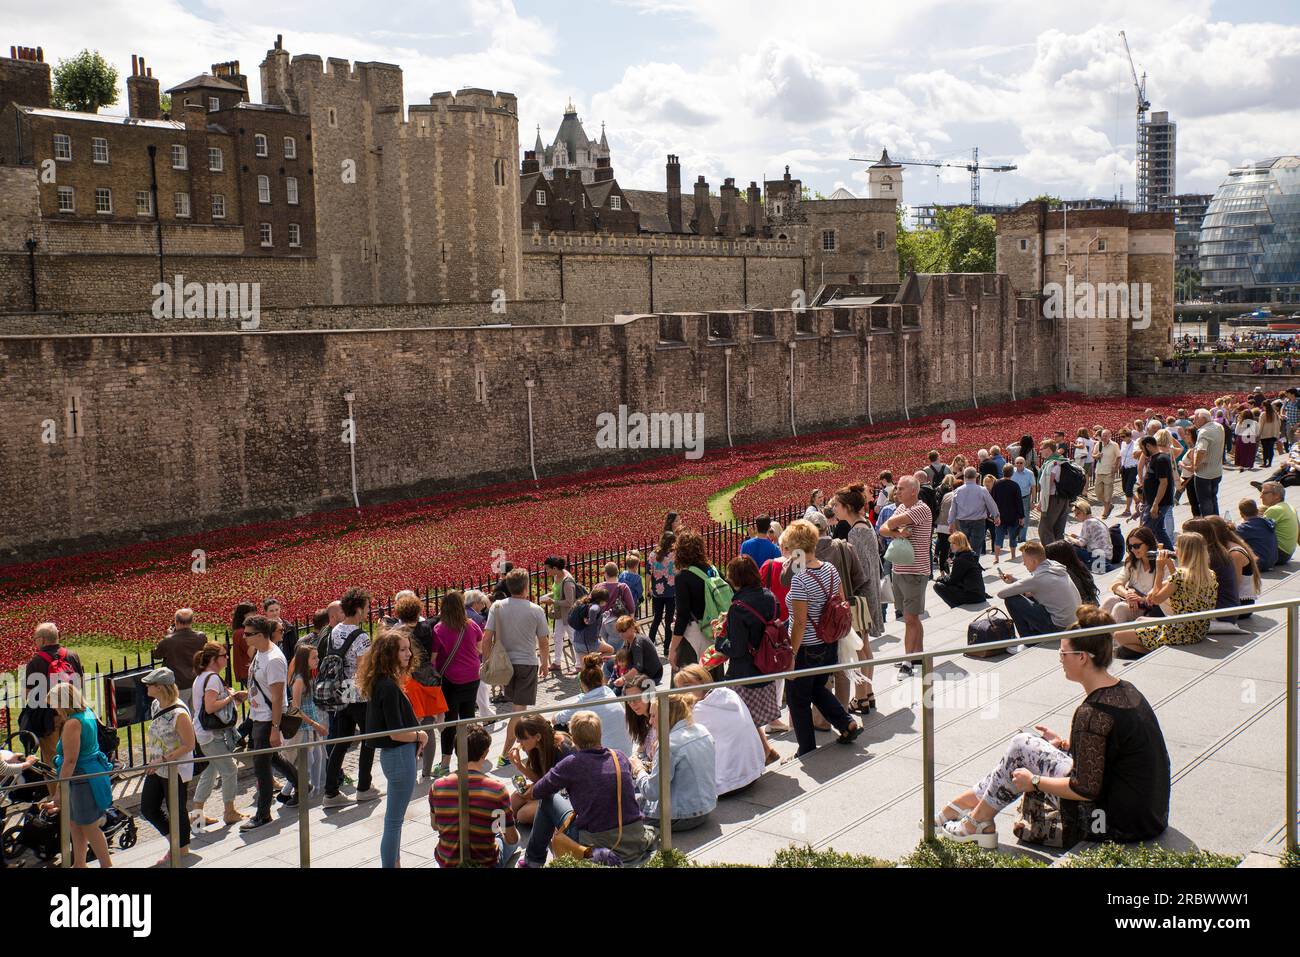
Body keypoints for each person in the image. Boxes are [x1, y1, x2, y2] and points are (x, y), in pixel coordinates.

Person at [938, 606, 1170, 848]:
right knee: (1023, 747)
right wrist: (1067, 745)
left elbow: (1085, 789)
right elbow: (1115, 753)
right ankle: (973, 817)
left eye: (1063, 653)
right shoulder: (1125, 689)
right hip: (1149, 813)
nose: (1060, 660)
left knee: (1021, 748)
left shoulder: (1092, 714)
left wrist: (1034, 781)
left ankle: (972, 820)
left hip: (1117, 822)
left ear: (1082, 657)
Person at [520, 710, 656, 867]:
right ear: (599, 734)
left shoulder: (571, 763)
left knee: (548, 799)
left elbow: (538, 791)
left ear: (574, 739)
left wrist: (524, 776)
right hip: (633, 832)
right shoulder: (618, 756)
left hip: (595, 838)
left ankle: (533, 861)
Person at [780, 520, 862, 757]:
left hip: (807, 647)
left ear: (796, 547)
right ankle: (846, 723)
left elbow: (799, 621)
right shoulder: (829, 569)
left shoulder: (800, 580)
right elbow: (840, 601)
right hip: (828, 643)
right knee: (817, 688)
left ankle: (805, 749)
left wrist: (792, 654)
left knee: (797, 699)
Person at [356, 629, 427, 867]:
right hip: (399, 757)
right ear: (390, 653)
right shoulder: (387, 685)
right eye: (403, 649)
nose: (409, 653)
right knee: (394, 820)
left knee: (394, 819)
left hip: (397, 757)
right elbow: (396, 733)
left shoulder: (383, 681)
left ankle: (394, 862)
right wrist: (421, 734)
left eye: (408, 648)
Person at [482, 568, 552, 764]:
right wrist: (545, 662)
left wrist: (487, 661)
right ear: (526, 587)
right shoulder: (535, 610)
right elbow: (544, 641)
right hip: (526, 662)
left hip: (505, 665)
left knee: (519, 708)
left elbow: (486, 637)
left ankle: (529, 742)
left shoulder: (497, 606)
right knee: (518, 711)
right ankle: (504, 754)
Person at [717, 557, 782, 764]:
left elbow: (736, 649)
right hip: (766, 664)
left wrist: (720, 640)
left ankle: (752, 757)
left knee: (741, 717)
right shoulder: (769, 597)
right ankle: (766, 750)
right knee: (751, 717)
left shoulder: (738, 606)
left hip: (744, 672)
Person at [1114, 532, 1218, 657]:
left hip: (1180, 631)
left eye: (1177, 546)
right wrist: (1169, 564)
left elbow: (1154, 599)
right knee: (1140, 620)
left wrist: (1159, 570)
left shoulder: (1180, 576)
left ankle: (1154, 652)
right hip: (1199, 630)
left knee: (1118, 636)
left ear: (1185, 551)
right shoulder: (1209, 574)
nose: (1174, 549)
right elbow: (1179, 586)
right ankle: (1146, 647)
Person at [321, 588, 379, 808]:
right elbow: (365, 668)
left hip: (340, 691)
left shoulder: (335, 631)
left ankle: (331, 791)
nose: (367, 612)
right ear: (357, 608)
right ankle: (364, 786)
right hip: (358, 693)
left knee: (342, 740)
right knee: (368, 738)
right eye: (366, 608)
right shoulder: (361, 636)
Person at [430, 724, 518, 868]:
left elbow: (434, 825)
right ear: (485, 752)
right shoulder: (497, 789)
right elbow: (512, 838)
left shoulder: (437, 786)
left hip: (447, 861)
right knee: (509, 837)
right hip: (485, 863)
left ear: (457, 750)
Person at [45, 683, 114, 867]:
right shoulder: (88, 714)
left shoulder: (73, 723)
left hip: (80, 778)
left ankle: (106, 864)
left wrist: (59, 789)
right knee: (75, 823)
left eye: (54, 704)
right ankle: (80, 863)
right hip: (87, 774)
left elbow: (70, 760)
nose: (54, 709)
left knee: (89, 826)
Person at [673, 662, 764, 793]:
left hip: (726, 784)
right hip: (753, 772)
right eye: (679, 689)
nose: (683, 693)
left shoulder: (698, 710)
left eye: (687, 686)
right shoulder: (728, 693)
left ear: (701, 681)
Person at [631, 693, 717, 830]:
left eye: (653, 716)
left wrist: (638, 769)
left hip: (682, 816)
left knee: (622, 806)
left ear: (667, 715)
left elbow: (652, 792)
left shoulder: (668, 744)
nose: (650, 721)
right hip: (707, 806)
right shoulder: (702, 730)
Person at [19, 622, 85, 796]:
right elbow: (80, 685)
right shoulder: (72, 655)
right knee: (75, 755)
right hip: (74, 715)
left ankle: (58, 802)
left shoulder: (36, 661)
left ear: (41, 640)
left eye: (35, 639)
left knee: (52, 760)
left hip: (49, 719)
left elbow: (29, 696)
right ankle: (77, 794)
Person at [242, 615, 295, 829]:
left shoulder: (273, 659)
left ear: (261, 635)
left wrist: (274, 729)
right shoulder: (259, 653)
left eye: (248, 634)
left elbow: (277, 697)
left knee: (261, 767)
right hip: (258, 715)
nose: (244, 637)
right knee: (272, 759)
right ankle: (302, 783)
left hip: (266, 721)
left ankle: (263, 814)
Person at [832, 484, 882, 709]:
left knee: (860, 647)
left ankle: (861, 696)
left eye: (836, 505)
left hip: (861, 594)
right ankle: (868, 692)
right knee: (865, 646)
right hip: (868, 592)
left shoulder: (856, 531)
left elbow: (859, 569)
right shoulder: (864, 525)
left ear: (847, 507)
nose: (834, 508)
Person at [139, 667, 196, 863]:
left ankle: (181, 848)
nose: (146, 686)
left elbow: (189, 744)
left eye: (150, 683)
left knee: (176, 809)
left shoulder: (179, 713)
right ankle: (174, 841)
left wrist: (163, 759)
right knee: (148, 807)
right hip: (157, 765)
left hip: (175, 768)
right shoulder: (156, 705)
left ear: (161, 687)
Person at [190, 642, 248, 829]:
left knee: (210, 771)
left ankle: (197, 816)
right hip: (210, 734)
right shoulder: (213, 678)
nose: (227, 658)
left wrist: (231, 697)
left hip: (202, 732)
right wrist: (231, 697)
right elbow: (210, 706)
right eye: (224, 655)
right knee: (230, 770)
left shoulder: (201, 677)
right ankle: (229, 811)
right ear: (214, 659)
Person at [426, 590, 483, 777]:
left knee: (450, 721)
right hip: (472, 677)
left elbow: (433, 659)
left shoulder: (439, 629)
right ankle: (467, 761)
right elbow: (479, 649)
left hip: (451, 679)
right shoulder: (472, 625)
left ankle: (445, 763)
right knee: (468, 719)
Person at [880, 475, 932, 677]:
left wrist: (894, 526)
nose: (897, 491)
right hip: (899, 570)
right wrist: (897, 533)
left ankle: (908, 661)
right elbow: (884, 529)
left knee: (910, 618)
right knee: (910, 617)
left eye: (901, 489)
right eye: (897, 489)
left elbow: (890, 521)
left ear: (913, 491)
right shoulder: (903, 507)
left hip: (915, 571)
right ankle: (918, 654)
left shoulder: (921, 508)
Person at [556, 653, 635, 757]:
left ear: (582, 684)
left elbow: (558, 718)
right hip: (627, 751)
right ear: (601, 680)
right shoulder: (608, 692)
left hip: (609, 757)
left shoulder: (584, 700)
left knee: (560, 731)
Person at [995, 541, 1081, 637]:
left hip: (1059, 628)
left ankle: (1028, 640)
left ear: (1034, 561)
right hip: (1075, 623)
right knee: (1028, 595)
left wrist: (1015, 585)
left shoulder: (1037, 579)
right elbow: (1036, 585)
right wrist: (1014, 580)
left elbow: (1001, 593)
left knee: (1012, 600)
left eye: (1025, 560)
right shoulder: (1055, 567)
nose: (1024, 564)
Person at [507, 715, 575, 826]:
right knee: (514, 800)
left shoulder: (563, 748)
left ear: (538, 736)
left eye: (522, 738)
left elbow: (566, 788)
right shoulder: (533, 747)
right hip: (550, 790)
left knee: (522, 815)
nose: (518, 741)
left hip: (567, 797)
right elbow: (540, 779)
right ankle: (506, 827)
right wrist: (519, 766)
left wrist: (534, 793)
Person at [671, 530, 718, 669]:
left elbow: (682, 615)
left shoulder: (683, 577)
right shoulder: (712, 570)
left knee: (689, 684)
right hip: (713, 631)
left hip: (693, 634)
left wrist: (672, 648)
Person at [1101, 527, 1161, 624]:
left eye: (1137, 546)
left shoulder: (1162, 563)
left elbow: (1163, 595)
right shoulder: (1132, 561)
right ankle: (1090, 632)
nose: (1133, 549)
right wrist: (1128, 595)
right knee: (1110, 600)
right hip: (1132, 601)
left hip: (1150, 609)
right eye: (1130, 546)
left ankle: (1111, 638)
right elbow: (1116, 584)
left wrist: (1140, 599)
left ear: (1148, 544)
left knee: (1120, 608)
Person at [539, 556, 578, 678]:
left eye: (548, 569)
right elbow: (556, 593)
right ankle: (557, 662)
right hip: (560, 614)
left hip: (568, 615)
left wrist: (553, 602)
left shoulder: (567, 581)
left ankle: (579, 664)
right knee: (557, 637)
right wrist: (548, 596)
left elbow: (569, 602)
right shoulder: (556, 577)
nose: (547, 572)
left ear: (555, 568)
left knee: (573, 638)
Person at [152, 609, 208, 691]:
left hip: (177, 684)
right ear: (192, 621)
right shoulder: (201, 637)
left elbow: (156, 655)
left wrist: (170, 636)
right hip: (196, 681)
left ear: (176, 622)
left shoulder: (169, 640)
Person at [951, 467, 1000, 558]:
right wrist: (996, 516)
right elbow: (991, 504)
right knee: (976, 547)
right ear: (976, 477)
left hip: (962, 522)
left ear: (965, 476)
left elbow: (953, 508)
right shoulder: (982, 490)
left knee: (964, 546)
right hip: (978, 521)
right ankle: (973, 565)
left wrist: (951, 522)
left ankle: (966, 565)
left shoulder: (958, 490)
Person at [1137, 435, 1174, 549]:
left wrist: (1155, 504)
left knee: (1145, 531)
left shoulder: (1160, 459)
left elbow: (1164, 483)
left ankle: (1141, 554)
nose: (1142, 452)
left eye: (1142, 448)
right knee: (1158, 531)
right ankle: (1170, 554)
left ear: (1148, 446)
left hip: (1159, 503)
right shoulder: (1155, 458)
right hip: (1154, 502)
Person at [610, 614, 664, 690]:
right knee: (610, 665)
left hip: (652, 677)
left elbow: (638, 667)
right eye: (619, 631)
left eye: (623, 631)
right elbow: (623, 655)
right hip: (643, 674)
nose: (621, 634)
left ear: (632, 627)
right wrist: (610, 657)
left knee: (621, 689)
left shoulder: (637, 643)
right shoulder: (629, 640)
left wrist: (623, 679)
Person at [933, 531, 986, 607]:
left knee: (938, 586)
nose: (951, 545)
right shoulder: (970, 554)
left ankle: (954, 605)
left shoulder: (961, 559)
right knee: (946, 582)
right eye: (950, 543)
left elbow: (952, 580)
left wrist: (940, 578)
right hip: (979, 594)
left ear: (960, 544)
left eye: (954, 543)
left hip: (973, 596)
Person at [1190, 408, 1226, 515]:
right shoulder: (1218, 426)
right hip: (1217, 471)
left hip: (1204, 474)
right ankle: (1216, 521)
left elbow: (1201, 450)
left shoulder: (1204, 431)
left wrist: (1195, 466)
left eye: (1196, 419)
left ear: (1202, 419)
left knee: (1205, 502)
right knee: (1213, 498)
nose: (1194, 421)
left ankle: (1209, 525)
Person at [648, 532, 677, 656]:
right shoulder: (674, 555)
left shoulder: (653, 554)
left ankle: (650, 643)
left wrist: (647, 588)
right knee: (669, 619)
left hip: (658, 591)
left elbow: (649, 573)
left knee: (657, 618)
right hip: (671, 591)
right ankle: (666, 647)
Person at [1044, 541, 1100, 606]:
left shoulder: (1063, 574)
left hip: (1081, 610)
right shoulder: (1079, 567)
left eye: (1048, 559)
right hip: (1091, 606)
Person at [1064, 499, 1111, 572]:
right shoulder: (1096, 520)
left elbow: (1081, 543)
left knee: (1071, 546)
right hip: (1107, 556)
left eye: (1077, 514)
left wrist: (1069, 538)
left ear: (1083, 511)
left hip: (1098, 557)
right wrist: (1077, 537)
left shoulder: (1087, 522)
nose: (1076, 517)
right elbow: (1089, 539)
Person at [991, 464, 1025, 563]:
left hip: (999, 515)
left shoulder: (996, 484)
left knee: (998, 537)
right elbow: (1019, 502)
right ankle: (1013, 556)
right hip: (1013, 515)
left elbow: (992, 500)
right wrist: (1021, 516)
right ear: (1012, 473)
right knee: (1013, 536)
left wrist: (994, 515)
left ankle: (996, 557)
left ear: (1003, 471)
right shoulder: (1015, 485)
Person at [1234, 498, 1278, 571]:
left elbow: (1232, 539)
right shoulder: (1267, 523)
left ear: (1241, 514)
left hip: (1258, 564)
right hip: (1272, 562)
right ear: (1257, 511)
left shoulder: (1244, 528)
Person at [1260, 482, 1297, 563]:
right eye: (1261, 493)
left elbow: (1258, 533)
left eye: (1264, 493)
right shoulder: (1289, 507)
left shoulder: (1274, 509)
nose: (1261, 496)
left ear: (1277, 495)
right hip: (1287, 553)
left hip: (1279, 554)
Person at [934, 473, 958, 575]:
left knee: (943, 550)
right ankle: (949, 567)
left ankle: (942, 572)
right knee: (953, 548)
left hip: (941, 523)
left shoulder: (943, 493)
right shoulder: (956, 495)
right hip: (952, 524)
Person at [230, 601, 256, 686]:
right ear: (244, 615)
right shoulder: (242, 633)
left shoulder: (238, 631)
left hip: (246, 671)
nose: (255, 616)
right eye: (252, 613)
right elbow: (252, 653)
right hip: (248, 671)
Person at [1118, 429, 1140, 518]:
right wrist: (1120, 465)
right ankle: (1137, 500)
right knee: (1124, 488)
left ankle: (1127, 510)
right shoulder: (1123, 444)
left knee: (1128, 488)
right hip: (1125, 468)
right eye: (1121, 436)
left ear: (1129, 436)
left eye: (1123, 436)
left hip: (1133, 468)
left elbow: (1137, 454)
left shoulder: (1135, 444)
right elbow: (1122, 456)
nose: (1122, 438)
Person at [1259, 401, 1281, 468]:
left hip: (1265, 434)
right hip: (1273, 434)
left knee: (1265, 449)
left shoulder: (1263, 414)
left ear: (1265, 406)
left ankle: (1265, 462)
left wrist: (1258, 434)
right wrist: (1277, 433)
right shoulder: (1275, 414)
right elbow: (1279, 424)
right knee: (1271, 449)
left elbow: (1260, 425)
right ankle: (1270, 463)